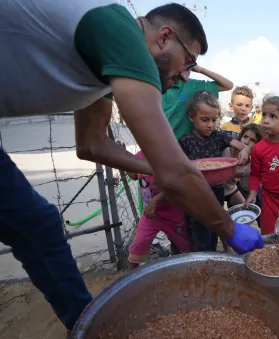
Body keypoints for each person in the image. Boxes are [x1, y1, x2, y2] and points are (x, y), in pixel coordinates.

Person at [0, 2, 262, 332]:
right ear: (165, 37)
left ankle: (85, 326)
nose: (185, 75)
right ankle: (91, 328)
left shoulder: (102, 66)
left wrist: (160, 168)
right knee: (39, 228)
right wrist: (230, 229)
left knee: (38, 229)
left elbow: (91, 145)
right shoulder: (123, 33)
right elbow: (173, 174)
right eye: (189, 63)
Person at [179, 91, 251, 251]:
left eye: (214, 120)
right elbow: (180, 168)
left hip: (216, 194)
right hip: (195, 197)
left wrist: (245, 150)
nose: (210, 125)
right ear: (192, 117)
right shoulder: (186, 141)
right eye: (204, 120)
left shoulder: (219, 136)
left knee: (213, 234)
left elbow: (241, 145)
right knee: (198, 238)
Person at [127, 151, 190, 268]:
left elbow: (176, 184)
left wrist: (156, 200)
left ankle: (188, 275)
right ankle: (130, 279)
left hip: (173, 214)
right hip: (151, 215)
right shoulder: (139, 157)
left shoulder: (167, 155)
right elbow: (133, 176)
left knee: (186, 248)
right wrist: (125, 160)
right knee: (138, 245)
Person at [246, 96, 279, 234]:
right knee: (269, 238)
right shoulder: (258, 148)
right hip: (268, 201)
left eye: (273, 116)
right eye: (264, 115)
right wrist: (253, 192)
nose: (266, 120)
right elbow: (255, 174)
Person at [163, 66, 233, 140]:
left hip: (184, 147)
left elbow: (228, 85)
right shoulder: (153, 85)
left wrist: (200, 69)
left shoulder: (191, 85)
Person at [223, 124, 264, 209]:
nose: (246, 142)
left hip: (230, 190)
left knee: (249, 208)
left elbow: (246, 189)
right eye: (245, 137)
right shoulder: (226, 150)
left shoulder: (250, 165)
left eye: (252, 140)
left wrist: (252, 195)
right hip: (214, 189)